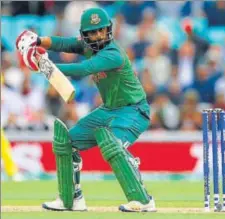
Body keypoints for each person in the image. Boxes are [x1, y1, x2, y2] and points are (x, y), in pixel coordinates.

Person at [16, 8, 156, 212]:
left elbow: (83, 69)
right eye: (93, 32)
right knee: (67, 142)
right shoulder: (87, 46)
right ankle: (71, 199)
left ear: (109, 29)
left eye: (101, 30)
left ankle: (143, 200)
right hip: (109, 109)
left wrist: (42, 66)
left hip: (133, 111)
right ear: (85, 34)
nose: (98, 35)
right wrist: (38, 40)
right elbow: (64, 43)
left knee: (113, 146)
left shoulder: (113, 54)